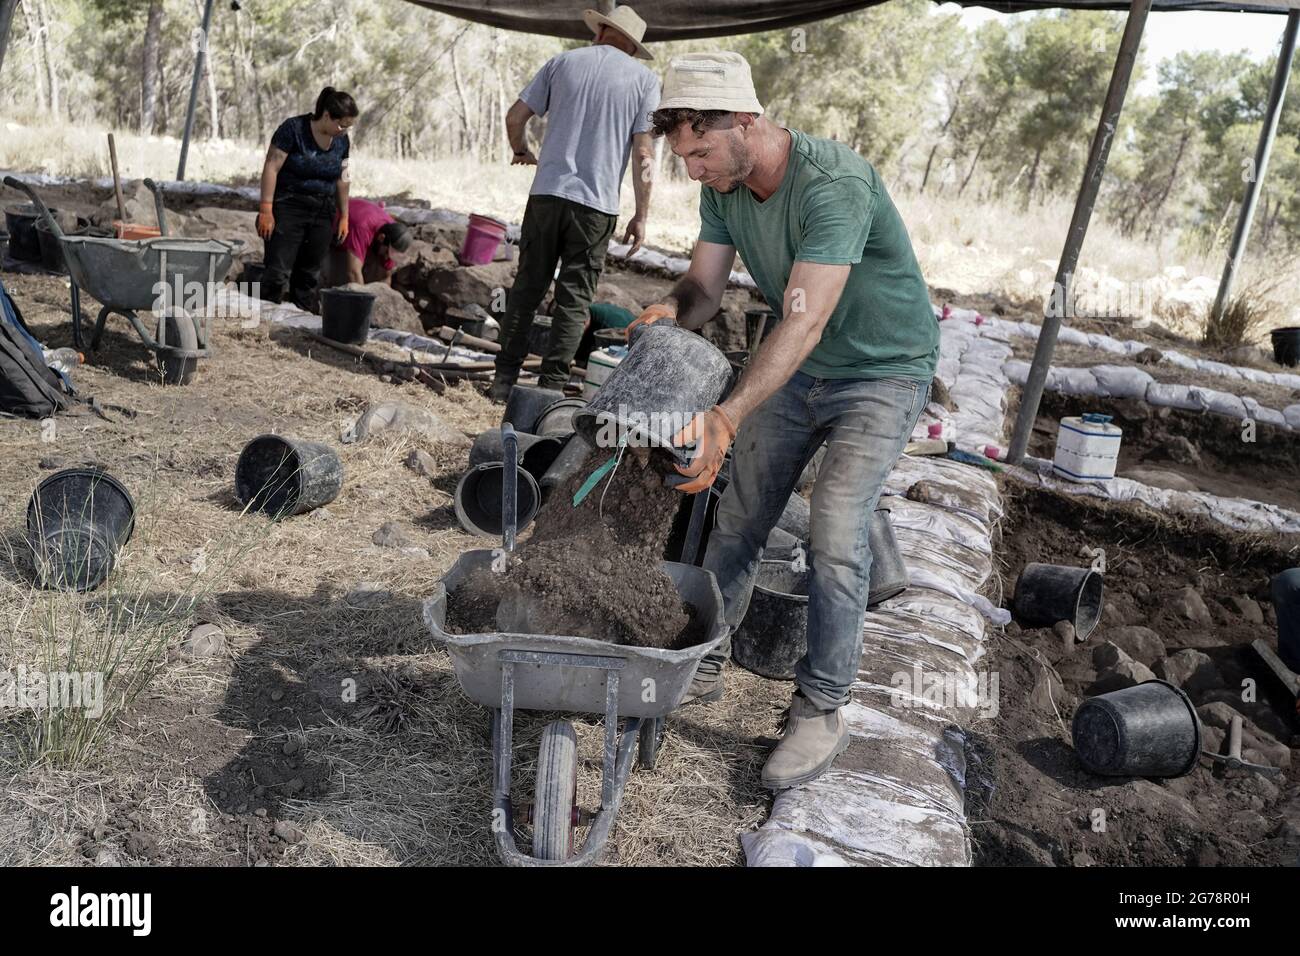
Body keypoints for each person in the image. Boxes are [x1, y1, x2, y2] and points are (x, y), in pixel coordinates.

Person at [632, 52, 940, 791]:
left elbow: (801, 322)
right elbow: (705, 288)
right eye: (684, 157)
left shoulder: (833, 184)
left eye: (702, 152)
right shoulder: (724, 186)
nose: (695, 170)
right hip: (800, 365)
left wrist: (728, 416)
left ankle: (821, 707)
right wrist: (671, 309)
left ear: (747, 119)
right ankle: (701, 662)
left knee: (835, 525)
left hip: (880, 369)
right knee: (739, 514)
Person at [488, 5, 660, 400]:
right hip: (596, 205)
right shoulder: (645, 81)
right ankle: (549, 389)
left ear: (600, 31)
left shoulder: (562, 62)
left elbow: (516, 117)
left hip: (547, 194)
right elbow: (645, 155)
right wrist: (641, 214)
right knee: (573, 301)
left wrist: (521, 150)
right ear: (632, 48)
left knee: (526, 290)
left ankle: (503, 380)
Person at [256, 87, 357, 310]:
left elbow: (343, 178)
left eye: (348, 127)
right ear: (327, 115)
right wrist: (266, 209)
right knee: (277, 271)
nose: (343, 131)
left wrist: (344, 216)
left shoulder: (342, 141)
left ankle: (299, 322)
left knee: (308, 275)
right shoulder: (293, 129)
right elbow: (271, 167)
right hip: (289, 205)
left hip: (323, 210)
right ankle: (262, 319)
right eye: (341, 125)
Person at [327, 197, 412, 287]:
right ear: (381, 238)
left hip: (364, 220)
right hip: (334, 223)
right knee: (339, 278)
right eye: (387, 252)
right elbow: (353, 273)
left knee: (377, 268)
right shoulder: (361, 229)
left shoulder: (394, 234)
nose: (387, 257)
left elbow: (385, 277)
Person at [1272, 569, 1300, 672]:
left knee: (1288, 626)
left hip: (1283, 580)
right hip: (1292, 588)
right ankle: (1294, 665)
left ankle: (1286, 658)